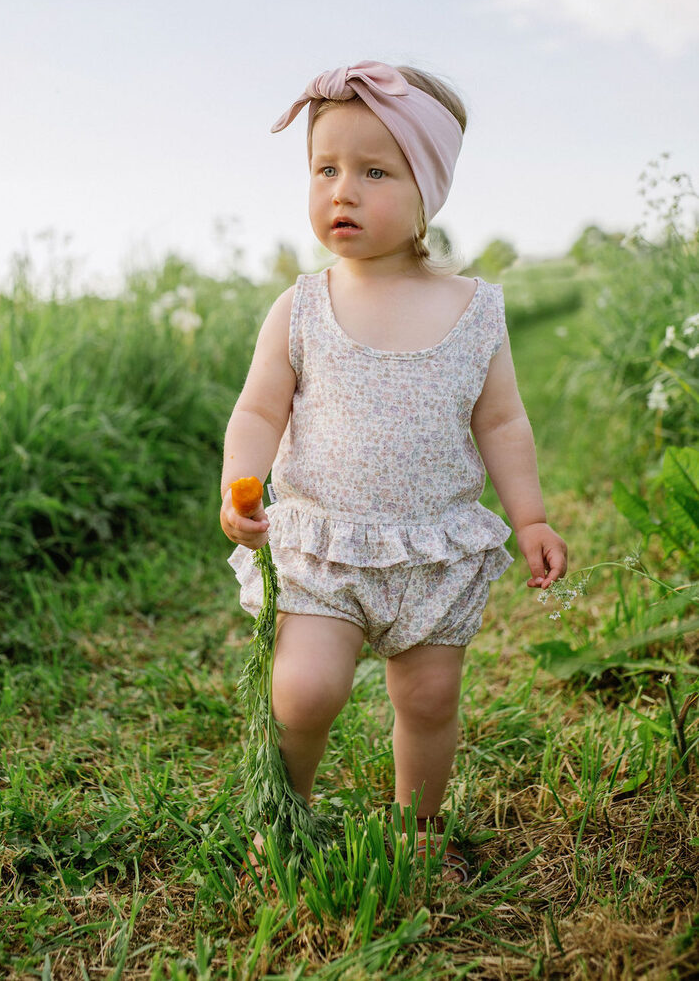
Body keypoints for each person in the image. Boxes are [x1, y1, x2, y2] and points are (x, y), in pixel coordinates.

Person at [220, 60, 567, 883]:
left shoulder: (473, 308)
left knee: (427, 700)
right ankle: (288, 813)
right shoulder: (301, 307)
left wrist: (532, 519)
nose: (343, 190)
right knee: (302, 691)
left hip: (432, 551)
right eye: (326, 168)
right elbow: (260, 409)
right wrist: (243, 483)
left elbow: (503, 422)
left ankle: (421, 830)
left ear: (427, 192)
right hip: (324, 544)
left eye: (375, 171)